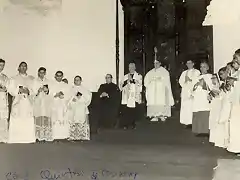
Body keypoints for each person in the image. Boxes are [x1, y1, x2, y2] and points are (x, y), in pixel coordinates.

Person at [7, 62, 36, 143]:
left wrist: (28, 90)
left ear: (27, 68)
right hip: (18, 101)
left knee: (27, 118)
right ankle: (16, 138)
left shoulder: (31, 79)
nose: (23, 68)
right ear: (18, 68)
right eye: (22, 66)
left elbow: (34, 90)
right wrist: (18, 90)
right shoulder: (13, 78)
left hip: (27, 102)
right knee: (17, 118)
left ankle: (28, 138)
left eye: (25, 66)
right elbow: (10, 90)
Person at [67, 76, 92, 141]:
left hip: (81, 107)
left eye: (78, 80)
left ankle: (82, 136)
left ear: (81, 81)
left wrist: (81, 98)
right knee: (74, 121)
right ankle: (73, 136)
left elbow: (88, 98)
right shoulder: (71, 89)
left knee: (81, 121)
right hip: (74, 108)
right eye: (75, 80)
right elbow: (68, 98)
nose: (76, 81)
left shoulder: (85, 89)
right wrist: (73, 100)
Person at [191, 61, 213, 136]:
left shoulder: (210, 76)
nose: (202, 68)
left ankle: (205, 131)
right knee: (197, 111)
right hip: (198, 97)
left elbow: (211, 88)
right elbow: (193, 88)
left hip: (204, 97)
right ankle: (199, 130)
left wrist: (203, 84)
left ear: (207, 68)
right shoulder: (197, 77)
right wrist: (196, 86)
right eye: (201, 67)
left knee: (204, 111)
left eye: (204, 67)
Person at [120, 63, 142, 129]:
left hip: (134, 95)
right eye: (130, 67)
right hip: (127, 95)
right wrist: (127, 81)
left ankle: (133, 124)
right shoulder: (125, 76)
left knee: (133, 110)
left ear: (135, 68)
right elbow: (121, 86)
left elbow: (140, 86)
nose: (131, 68)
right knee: (126, 110)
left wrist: (134, 81)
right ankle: (125, 124)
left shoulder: (138, 76)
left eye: (132, 67)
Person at [33, 67, 53, 142]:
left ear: (45, 73)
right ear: (38, 73)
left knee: (45, 117)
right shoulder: (35, 81)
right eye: (40, 72)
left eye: (43, 72)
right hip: (38, 101)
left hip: (46, 101)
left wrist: (47, 91)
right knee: (38, 117)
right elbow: (32, 92)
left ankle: (46, 135)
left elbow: (51, 91)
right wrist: (37, 91)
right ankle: (38, 135)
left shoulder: (48, 81)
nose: (42, 74)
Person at [179, 59, 200, 127]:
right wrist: (185, 80)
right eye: (187, 63)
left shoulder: (197, 72)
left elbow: (198, 81)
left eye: (190, 63)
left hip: (193, 91)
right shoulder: (184, 72)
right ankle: (186, 122)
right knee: (185, 107)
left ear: (193, 64)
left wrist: (190, 80)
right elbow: (180, 81)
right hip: (185, 91)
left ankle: (192, 122)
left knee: (192, 106)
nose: (189, 65)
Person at [50, 71, 71, 142]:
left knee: (63, 118)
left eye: (60, 76)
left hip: (63, 104)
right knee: (55, 118)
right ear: (55, 76)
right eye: (57, 76)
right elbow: (49, 94)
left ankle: (64, 135)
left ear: (62, 76)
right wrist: (56, 94)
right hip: (55, 104)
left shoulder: (65, 85)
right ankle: (55, 135)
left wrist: (63, 95)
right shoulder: (51, 84)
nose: (59, 77)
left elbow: (68, 95)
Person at [227, 50, 240, 154]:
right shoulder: (238, 71)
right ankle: (235, 147)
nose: (234, 60)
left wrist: (234, 83)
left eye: (236, 57)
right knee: (235, 124)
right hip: (236, 101)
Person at [0, 59, 9, 143]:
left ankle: (3, 137)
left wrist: (5, 89)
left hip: (2, 99)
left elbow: (8, 88)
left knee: (2, 118)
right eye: (0, 65)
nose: (1, 67)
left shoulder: (5, 77)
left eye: (2, 65)